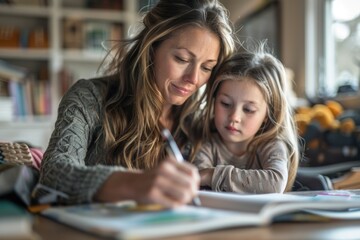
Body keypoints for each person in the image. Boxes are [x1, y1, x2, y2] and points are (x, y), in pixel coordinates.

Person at [33, 0, 235, 207]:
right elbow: (54, 172)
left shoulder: (200, 122)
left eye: (207, 68)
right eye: (182, 59)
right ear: (151, 48)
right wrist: (133, 184)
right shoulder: (89, 97)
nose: (193, 79)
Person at [191, 45, 300, 193]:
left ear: (267, 115)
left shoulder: (271, 145)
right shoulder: (206, 143)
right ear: (213, 100)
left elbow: (275, 183)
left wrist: (211, 174)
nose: (234, 117)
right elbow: (197, 184)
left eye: (248, 110)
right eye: (226, 104)